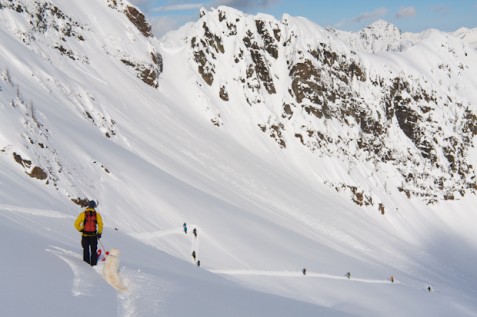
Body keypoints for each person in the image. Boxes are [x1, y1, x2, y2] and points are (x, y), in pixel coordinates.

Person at [74, 200, 103, 266]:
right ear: (94, 207)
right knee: (93, 250)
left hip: (85, 235)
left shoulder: (83, 214)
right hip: (93, 235)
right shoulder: (97, 215)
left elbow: (76, 224)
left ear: (88, 206)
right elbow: (100, 224)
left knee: (86, 250)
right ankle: (93, 264)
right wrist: (99, 233)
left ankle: (86, 265)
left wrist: (81, 230)